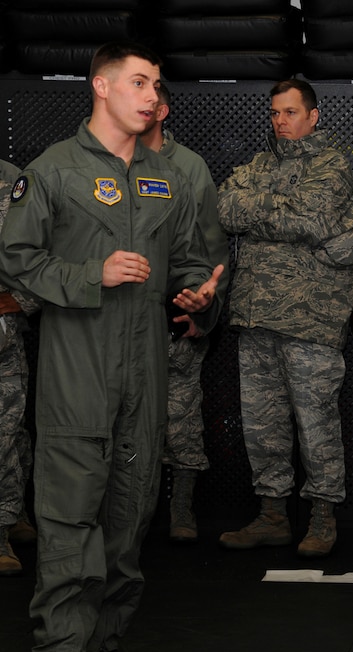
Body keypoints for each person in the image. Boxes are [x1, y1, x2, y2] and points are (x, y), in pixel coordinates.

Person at [0, 41, 224, 652]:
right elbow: (15, 257)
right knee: (71, 511)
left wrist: (193, 295)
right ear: (101, 86)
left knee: (130, 510)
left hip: (145, 366)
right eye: (139, 81)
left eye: (156, 83)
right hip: (78, 366)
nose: (152, 94)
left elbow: (187, 258)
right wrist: (86, 275)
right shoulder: (53, 171)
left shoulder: (167, 176)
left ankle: (104, 641)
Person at [217, 79, 353, 559]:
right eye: (275, 113)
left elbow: (311, 220)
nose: (281, 122)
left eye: (291, 113)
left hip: (309, 318)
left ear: (313, 116)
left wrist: (260, 210)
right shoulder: (258, 164)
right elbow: (225, 208)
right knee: (262, 425)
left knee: (316, 424)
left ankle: (322, 517)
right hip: (255, 314)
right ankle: (273, 515)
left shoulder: (332, 166)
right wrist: (276, 212)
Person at [139, 82, 229, 544]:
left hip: (176, 317)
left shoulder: (188, 167)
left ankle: (182, 507)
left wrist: (204, 311)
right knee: (127, 422)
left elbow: (211, 250)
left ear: (163, 110)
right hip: (123, 322)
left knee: (183, 419)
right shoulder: (109, 160)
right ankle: (134, 512)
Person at [0, 171, 40, 576]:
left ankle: (3, 529)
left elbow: (45, 247)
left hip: (3, 339)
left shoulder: (14, 181)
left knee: (6, 436)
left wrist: (23, 300)